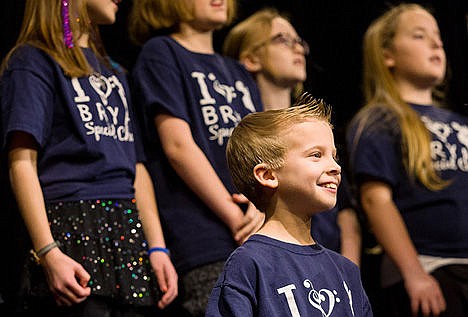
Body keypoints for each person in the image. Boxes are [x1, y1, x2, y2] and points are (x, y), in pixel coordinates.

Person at [1, 0, 178, 315]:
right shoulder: (34, 60)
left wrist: (157, 246)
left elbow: (136, 167)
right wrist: (48, 250)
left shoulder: (116, 72)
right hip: (72, 226)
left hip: (127, 230)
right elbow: (21, 162)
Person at [128, 1, 264, 315]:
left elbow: (263, 150)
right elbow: (177, 146)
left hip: (255, 230)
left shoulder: (238, 71)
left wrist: (260, 208)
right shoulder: (161, 52)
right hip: (206, 238)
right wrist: (236, 217)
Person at [346, 3, 468, 316]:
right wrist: (414, 274)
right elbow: (376, 201)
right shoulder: (380, 120)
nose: (436, 43)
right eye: (419, 35)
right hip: (430, 270)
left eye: (437, 36)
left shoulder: (460, 122)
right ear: (388, 55)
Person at [206, 94, 373, 317]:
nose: (335, 167)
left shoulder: (347, 272)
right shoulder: (250, 264)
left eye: (334, 156)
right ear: (267, 175)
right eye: (316, 155)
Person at [223, 7, 361, 265]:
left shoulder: (318, 129)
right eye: (282, 40)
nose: (297, 48)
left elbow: (346, 213)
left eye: (299, 41)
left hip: (326, 262)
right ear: (251, 58)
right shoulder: (240, 136)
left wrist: (348, 269)